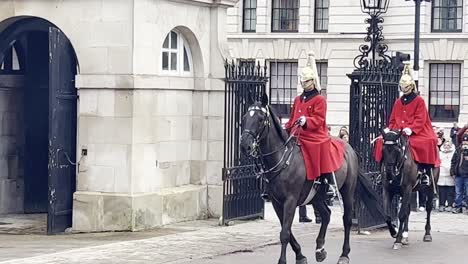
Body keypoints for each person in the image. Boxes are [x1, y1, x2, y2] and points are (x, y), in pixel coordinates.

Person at [284, 51, 345, 197]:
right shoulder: (298, 99)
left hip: (314, 134)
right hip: (296, 134)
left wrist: (307, 121)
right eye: (303, 82)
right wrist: (285, 128)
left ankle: (324, 180)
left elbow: (319, 119)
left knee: (320, 145)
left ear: (312, 81)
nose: (304, 84)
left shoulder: (320, 99)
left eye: (306, 81)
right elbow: (292, 119)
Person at [374, 62, 440, 186]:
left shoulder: (419, 100)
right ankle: (382, 172)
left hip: (417, 132)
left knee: (425, 143)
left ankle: (424, 172)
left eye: (406, 88)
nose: (404, 90)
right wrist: (390, 129)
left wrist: (412, 129)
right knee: (381, 142)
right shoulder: (398, 102)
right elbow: (393, 119)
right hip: (399, 132)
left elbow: (421, 119)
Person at [450, 134, 468, 214]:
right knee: (458, 192)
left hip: (467, 175)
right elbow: (453, 162)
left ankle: (467, 207)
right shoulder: (458, 150)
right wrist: (453, 172)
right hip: (459, 175)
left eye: (466, 142)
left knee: (467, 193)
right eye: (464, 141)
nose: (465, 143)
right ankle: (458, 207)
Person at [438, 140, 455, 212]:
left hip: (450, 174)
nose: (446, 147)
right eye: (445, 145)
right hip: (441, 173)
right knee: (441, 191)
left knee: (450, 191)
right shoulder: (440, 153)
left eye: (448, 145)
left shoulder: (454, 153)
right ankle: (441, 205)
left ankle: (450, 205)